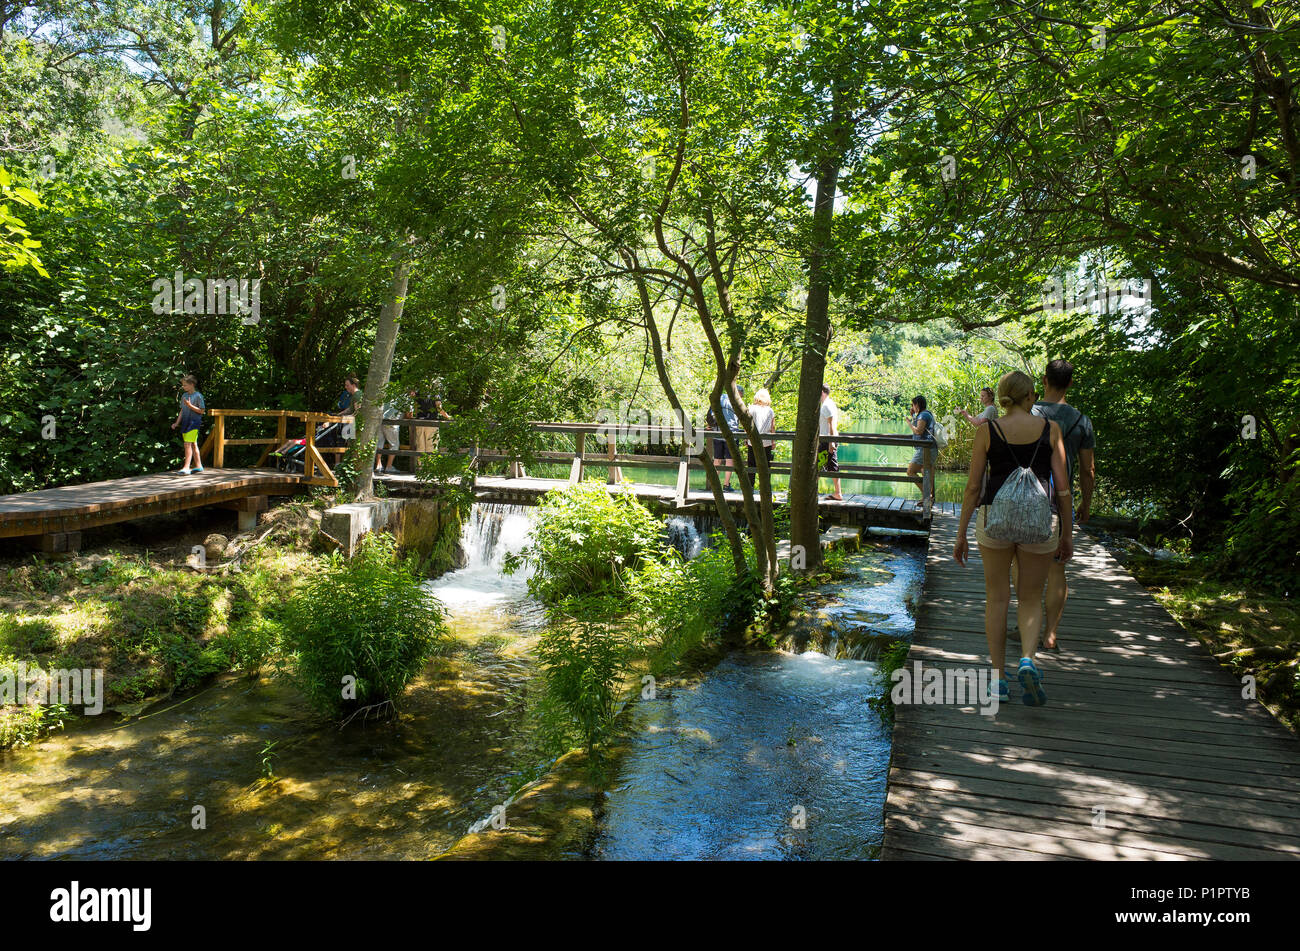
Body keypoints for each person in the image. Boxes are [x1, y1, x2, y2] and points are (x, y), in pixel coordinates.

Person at [953, 370, 1073, 705]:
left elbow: (974, 488)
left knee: (997, 597)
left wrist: (960, 533)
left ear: (1004, 396)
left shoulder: (988, 431)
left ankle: (996, 681)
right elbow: (1062, 489)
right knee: (1031, 597)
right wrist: (1067, 533)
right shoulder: (1051, 430)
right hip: (1038, 524)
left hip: (995, 522)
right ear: (1030, 396)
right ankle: (1027, 660)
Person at [1024, 358, 1096, 651]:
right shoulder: (1082, 421)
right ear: (1071, 383)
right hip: (1060, 501)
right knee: (1057, 568)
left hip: (1028, 498)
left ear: (1044, 380)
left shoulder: (1029, 413)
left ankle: (1026, 623)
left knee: (1024, 566)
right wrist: (1086, 504)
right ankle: (1050, 634)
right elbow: (1087, 470)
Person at [708, 384, 742, 490]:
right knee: (730, 460)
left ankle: (714, 485)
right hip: (731, 434)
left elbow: (711, 413)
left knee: (717, 459)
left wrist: (710, 426)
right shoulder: (736, 401)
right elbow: (741, 417)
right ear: (738, 392)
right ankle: (726, 485)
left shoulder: (719, 398)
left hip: (717, 432)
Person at [171, 374, 206, 474]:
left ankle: (186, 467)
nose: (183, 387)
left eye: (185, 385)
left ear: (192, 384)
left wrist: (190, 406)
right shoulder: (184, 396)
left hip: (194, 423)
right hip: (185, 423)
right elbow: (182, 410)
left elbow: (202, 411)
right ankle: (199, 466)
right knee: (193, 444)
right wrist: (176, 423)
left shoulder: (198, 396)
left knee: (187, 444)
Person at [906, 395, 936, 509]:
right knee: (925, 471)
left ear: (917, 405)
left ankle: (927, 496)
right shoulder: (925, 414)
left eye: (913, 405)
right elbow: (919, 427)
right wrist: (913, 416)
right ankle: (928, 496)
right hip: (928, 449)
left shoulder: (923, 415)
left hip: (925, 449)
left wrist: (909, 422)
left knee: (910, 471)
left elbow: (918, 431)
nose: (912, 407)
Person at [374, 390, 412, 474]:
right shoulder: (408, 398)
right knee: (394, 444)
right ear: (412, 391)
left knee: (379, 443)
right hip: (392, 423)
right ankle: (389, 466)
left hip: (381, 421)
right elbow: (409, 415)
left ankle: (378, 465)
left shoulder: (392, 393)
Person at [818, 384, 842, 500]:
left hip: (827, 440)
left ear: (822, 392)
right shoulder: (829, 403)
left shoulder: (826, 405)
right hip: (826, 439)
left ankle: (838, 493)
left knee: (830, 465)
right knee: (819, 465)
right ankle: (812, 490)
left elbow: (832, 424)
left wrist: (831, 442)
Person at [746, 388, 776, 468]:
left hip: (753, 440)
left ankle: (750, 481)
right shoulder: (770, 410)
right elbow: (772, 427)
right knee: (766, 465)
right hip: (766, 441)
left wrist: (746, 439)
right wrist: (773, 441)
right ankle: (766, 481)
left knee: (751, 464)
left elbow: (747, 425)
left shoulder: (751, 408)